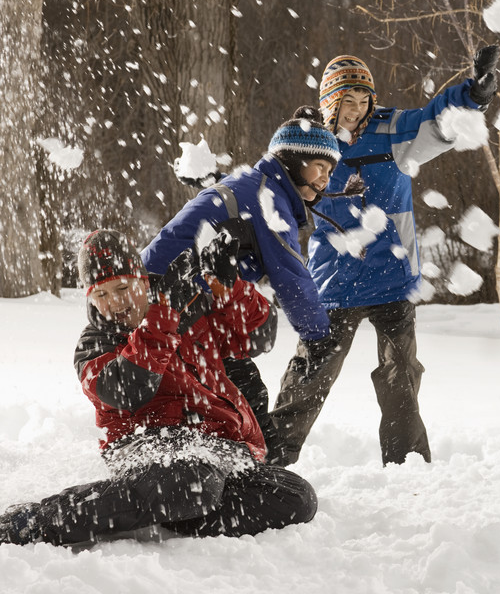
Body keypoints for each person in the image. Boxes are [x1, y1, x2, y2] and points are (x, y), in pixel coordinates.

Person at [0, 230, 317, 546]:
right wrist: (161, 319)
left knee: (297, 498)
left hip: (216, 449)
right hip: (146, 448)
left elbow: (259, 337)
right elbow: (129, 389)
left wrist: (228, 286)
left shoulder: (188, 307)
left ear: (142, 280)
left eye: (122, 288)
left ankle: (176, 511)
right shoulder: (94, 344)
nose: (114, 302)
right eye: (101, 295)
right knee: (189, 482)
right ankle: (36, 521)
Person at [267, 47, 500, 467]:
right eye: (346, 101)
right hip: (335, 277)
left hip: (392, 275)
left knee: (400, 378)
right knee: (311, 373)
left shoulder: (391, 131)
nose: (355, 111)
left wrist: (474, 96)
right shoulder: (309, 139)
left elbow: (437, 120)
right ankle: (269, 457)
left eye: (363, 101)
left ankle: (407, 464)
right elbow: (268, 184)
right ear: (328, 102)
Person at [141, 111, 344, 451]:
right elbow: (292, 278)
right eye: (319, 167)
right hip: (177, 299)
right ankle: (254, 471)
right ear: (292, 161)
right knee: (240, 394)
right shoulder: (269, 201)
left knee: (231, 382)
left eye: (330, 171)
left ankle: (233, 461)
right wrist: (319, 334)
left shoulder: (255, 185)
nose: (325, 179)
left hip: (173, 297)